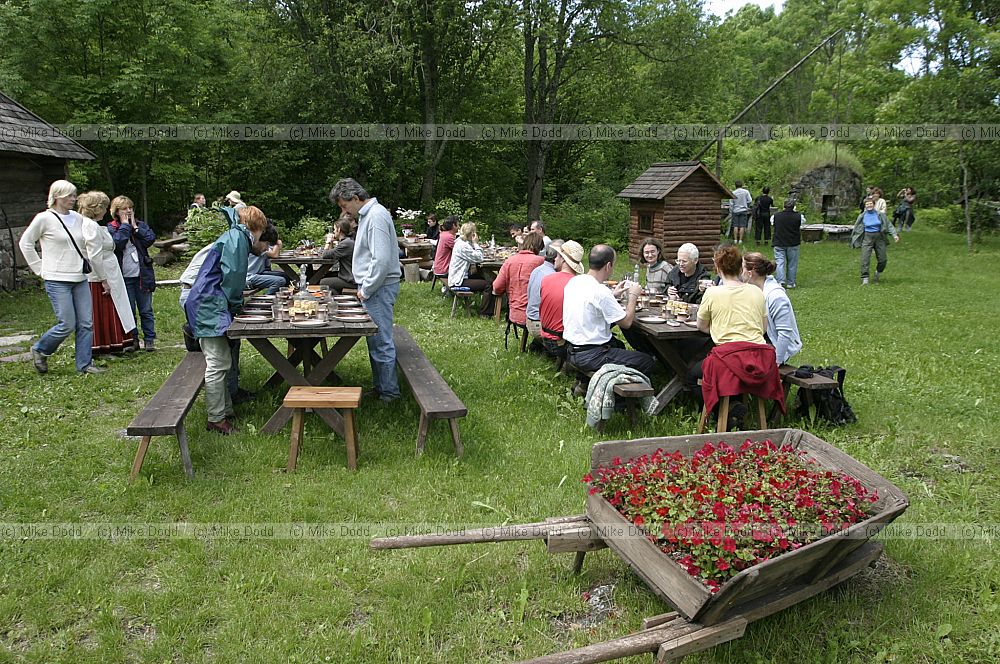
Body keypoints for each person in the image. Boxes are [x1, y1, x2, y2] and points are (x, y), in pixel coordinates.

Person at [185, 206, 268, 433]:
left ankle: (225, 411)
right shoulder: (238, 239)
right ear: (256, 226)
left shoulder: (235, 236)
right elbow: (233, 277)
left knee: (222, 360)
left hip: (210, 302)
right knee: (217, 362)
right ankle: (216, 419)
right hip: (208, 304)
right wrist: (235, 304)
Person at [19, 180, 104, 374]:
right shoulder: (44, 218)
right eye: (69, 196)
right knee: (67, 323)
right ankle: (40, 349)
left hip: (79, 277)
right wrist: (39, 268)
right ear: (56, 196)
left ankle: (84, 365)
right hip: (56, 279)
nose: (73, 199)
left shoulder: (77, 218)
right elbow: (26, 243)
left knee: (86, 323)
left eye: (74, 195)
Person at [330, 178, 402, 402]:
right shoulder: (369, 215)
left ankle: (390, 394)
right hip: (374, 287)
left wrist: (366, 289)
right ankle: (381, 388)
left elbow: (380, 260)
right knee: (375, 340)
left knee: (381, 341)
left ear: (355, 198)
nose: (344, 211)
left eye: (344, 205)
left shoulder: (377, 216)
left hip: (378, 288)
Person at [696, 244, 784, 427]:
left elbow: (701, 326)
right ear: (740, 267)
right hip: (760, 359)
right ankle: (734, 407)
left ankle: (719, 415)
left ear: (718, 268)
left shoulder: (712, 292)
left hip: (728, 360)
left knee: (692, 373)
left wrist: (719, 328)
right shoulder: (756, 291)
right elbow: (763, 327)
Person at [563, 244, 656, 379]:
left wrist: (613, 294)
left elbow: (591, 303)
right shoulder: (601, 291)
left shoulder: (575, 281)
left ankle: (584, 382)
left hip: (571, 349)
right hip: (591, 355)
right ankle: (619, 397)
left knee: (619, 345)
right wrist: (633, 296)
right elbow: (626, 323)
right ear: (608, 266)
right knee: (647, 361)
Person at [78, 191, 136, 354]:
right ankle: (103, 347)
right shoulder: (90, 226)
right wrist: (103, 279)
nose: (105, 210)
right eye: (103, 206)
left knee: (114, 307)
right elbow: (94, 255)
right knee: (104, 311)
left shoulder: (94, 225)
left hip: (109, 271)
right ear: (97, 208)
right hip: (99, 275)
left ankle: (113, 344)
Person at [108, 196, 157, 351]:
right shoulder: (111, 228)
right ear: (116, 212)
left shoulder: (140, 226)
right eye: (124, 209)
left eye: (130, 208)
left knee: (146, 310)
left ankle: (149, 340)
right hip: (124, 277)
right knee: (129, 310)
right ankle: (133, 340)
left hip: (142, 275)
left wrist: (135, 227)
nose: (128, 211)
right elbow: (117, 244)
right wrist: (125, 226)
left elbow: (150, 239)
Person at [743, 252, 801, 366]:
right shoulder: (753, 290)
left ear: (750, 272)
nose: (740, 273)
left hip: (773, 346)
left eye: (742, 268)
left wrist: (776, 363)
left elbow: (784, 333)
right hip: (759, 343)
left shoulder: (776, 296)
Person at [538, 240, 584, 361]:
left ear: (563, 260)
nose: (554, 259)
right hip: (561, 343)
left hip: (544, 337)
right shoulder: (578, 284)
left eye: (557, 256)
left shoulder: (546, 279)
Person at [492, 232, 544, 327]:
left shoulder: (510, 261)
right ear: (539, 247)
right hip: (535, 316)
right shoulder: (540, 262)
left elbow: (497, 287)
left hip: (514, 315)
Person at [851, 196, 899, 285]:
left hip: (879, 238)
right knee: (865, 259)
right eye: (867, 204)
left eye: (870, 204)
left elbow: (888, 225)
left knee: (883, 259)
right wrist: (854, 239)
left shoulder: (880, 215)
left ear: (874, 204)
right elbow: (856, 228)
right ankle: (865, 279)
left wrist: (894, 235)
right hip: (867, 238)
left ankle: (877, 273)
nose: (869, 205)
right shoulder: (862, 216)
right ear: (865, 206)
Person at [525, 239, 563, 339]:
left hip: (529, 320)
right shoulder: (552, 276)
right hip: (540, 325)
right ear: (559, 257)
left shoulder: (537, 270)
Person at [770, 198, 806, 289]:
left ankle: (780, 281)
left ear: (784, 205)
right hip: (793, 242)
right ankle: (791, 282)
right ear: (794, 206)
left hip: (779, 241)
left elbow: (772, 224)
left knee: (779, 262)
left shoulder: (776, 216)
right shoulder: (799, 216)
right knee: (792, 263)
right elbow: (802, 223)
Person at [245, 222, 288, 294]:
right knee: (280, 281)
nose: (267, 247)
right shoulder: (255, 247)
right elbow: (275, 255)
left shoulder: (261, 244)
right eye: (267, 244)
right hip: (248, 278)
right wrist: (277, 244)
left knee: (286, 276)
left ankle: (281, 298)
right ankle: (263, 300)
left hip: (257, 273)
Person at [319, 218, 357, 293]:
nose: (333, 232)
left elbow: (325, 255)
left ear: (339, 230)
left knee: (323, 282)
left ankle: (335, 299)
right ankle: (336, 297)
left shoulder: (346, 244)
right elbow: (331, 254)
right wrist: (331, 243)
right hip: (348, 276)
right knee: (327, 277)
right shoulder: (347, 242)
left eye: (334, 229)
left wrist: (328, 242)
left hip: (351, 280)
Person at [448, 222, 488, 292]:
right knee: (488, 285)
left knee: (484, 278)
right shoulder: (463, 246)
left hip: (458, 276)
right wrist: (475, 243)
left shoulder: (461, 242)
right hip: (458, 281)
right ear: (472, 234)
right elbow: (479, 258)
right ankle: (485, 303)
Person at [432, 216, 458, 281]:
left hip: (439, 267)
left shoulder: (444, 234)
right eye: (458, 224)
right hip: (444, 269)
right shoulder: (449, 237)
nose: (459, 227)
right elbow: (461, 251)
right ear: (454, 225)